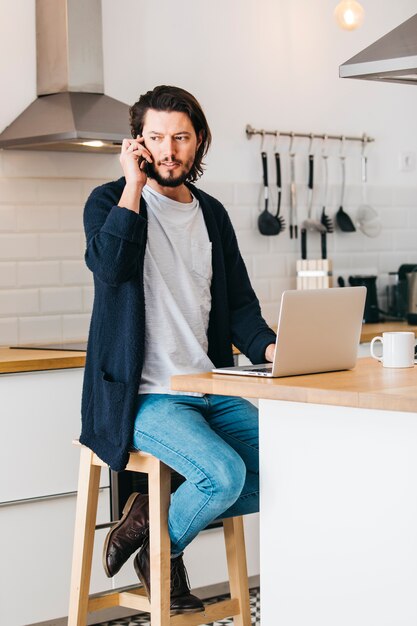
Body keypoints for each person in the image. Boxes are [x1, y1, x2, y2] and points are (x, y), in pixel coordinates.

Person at [80, 85, 276, 615]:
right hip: (144, 396)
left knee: (297, 470)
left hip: (209, 385)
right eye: (157, 137)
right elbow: (110, 269)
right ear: (138, 142)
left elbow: (238, 305)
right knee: (225, 475)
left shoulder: (211, 214)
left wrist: (271, 346)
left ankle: (153, 519)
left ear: (199, 142)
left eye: (181, 137)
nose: (169, 149)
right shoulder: (109, 201)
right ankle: (162, 559)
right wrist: (131, 187)